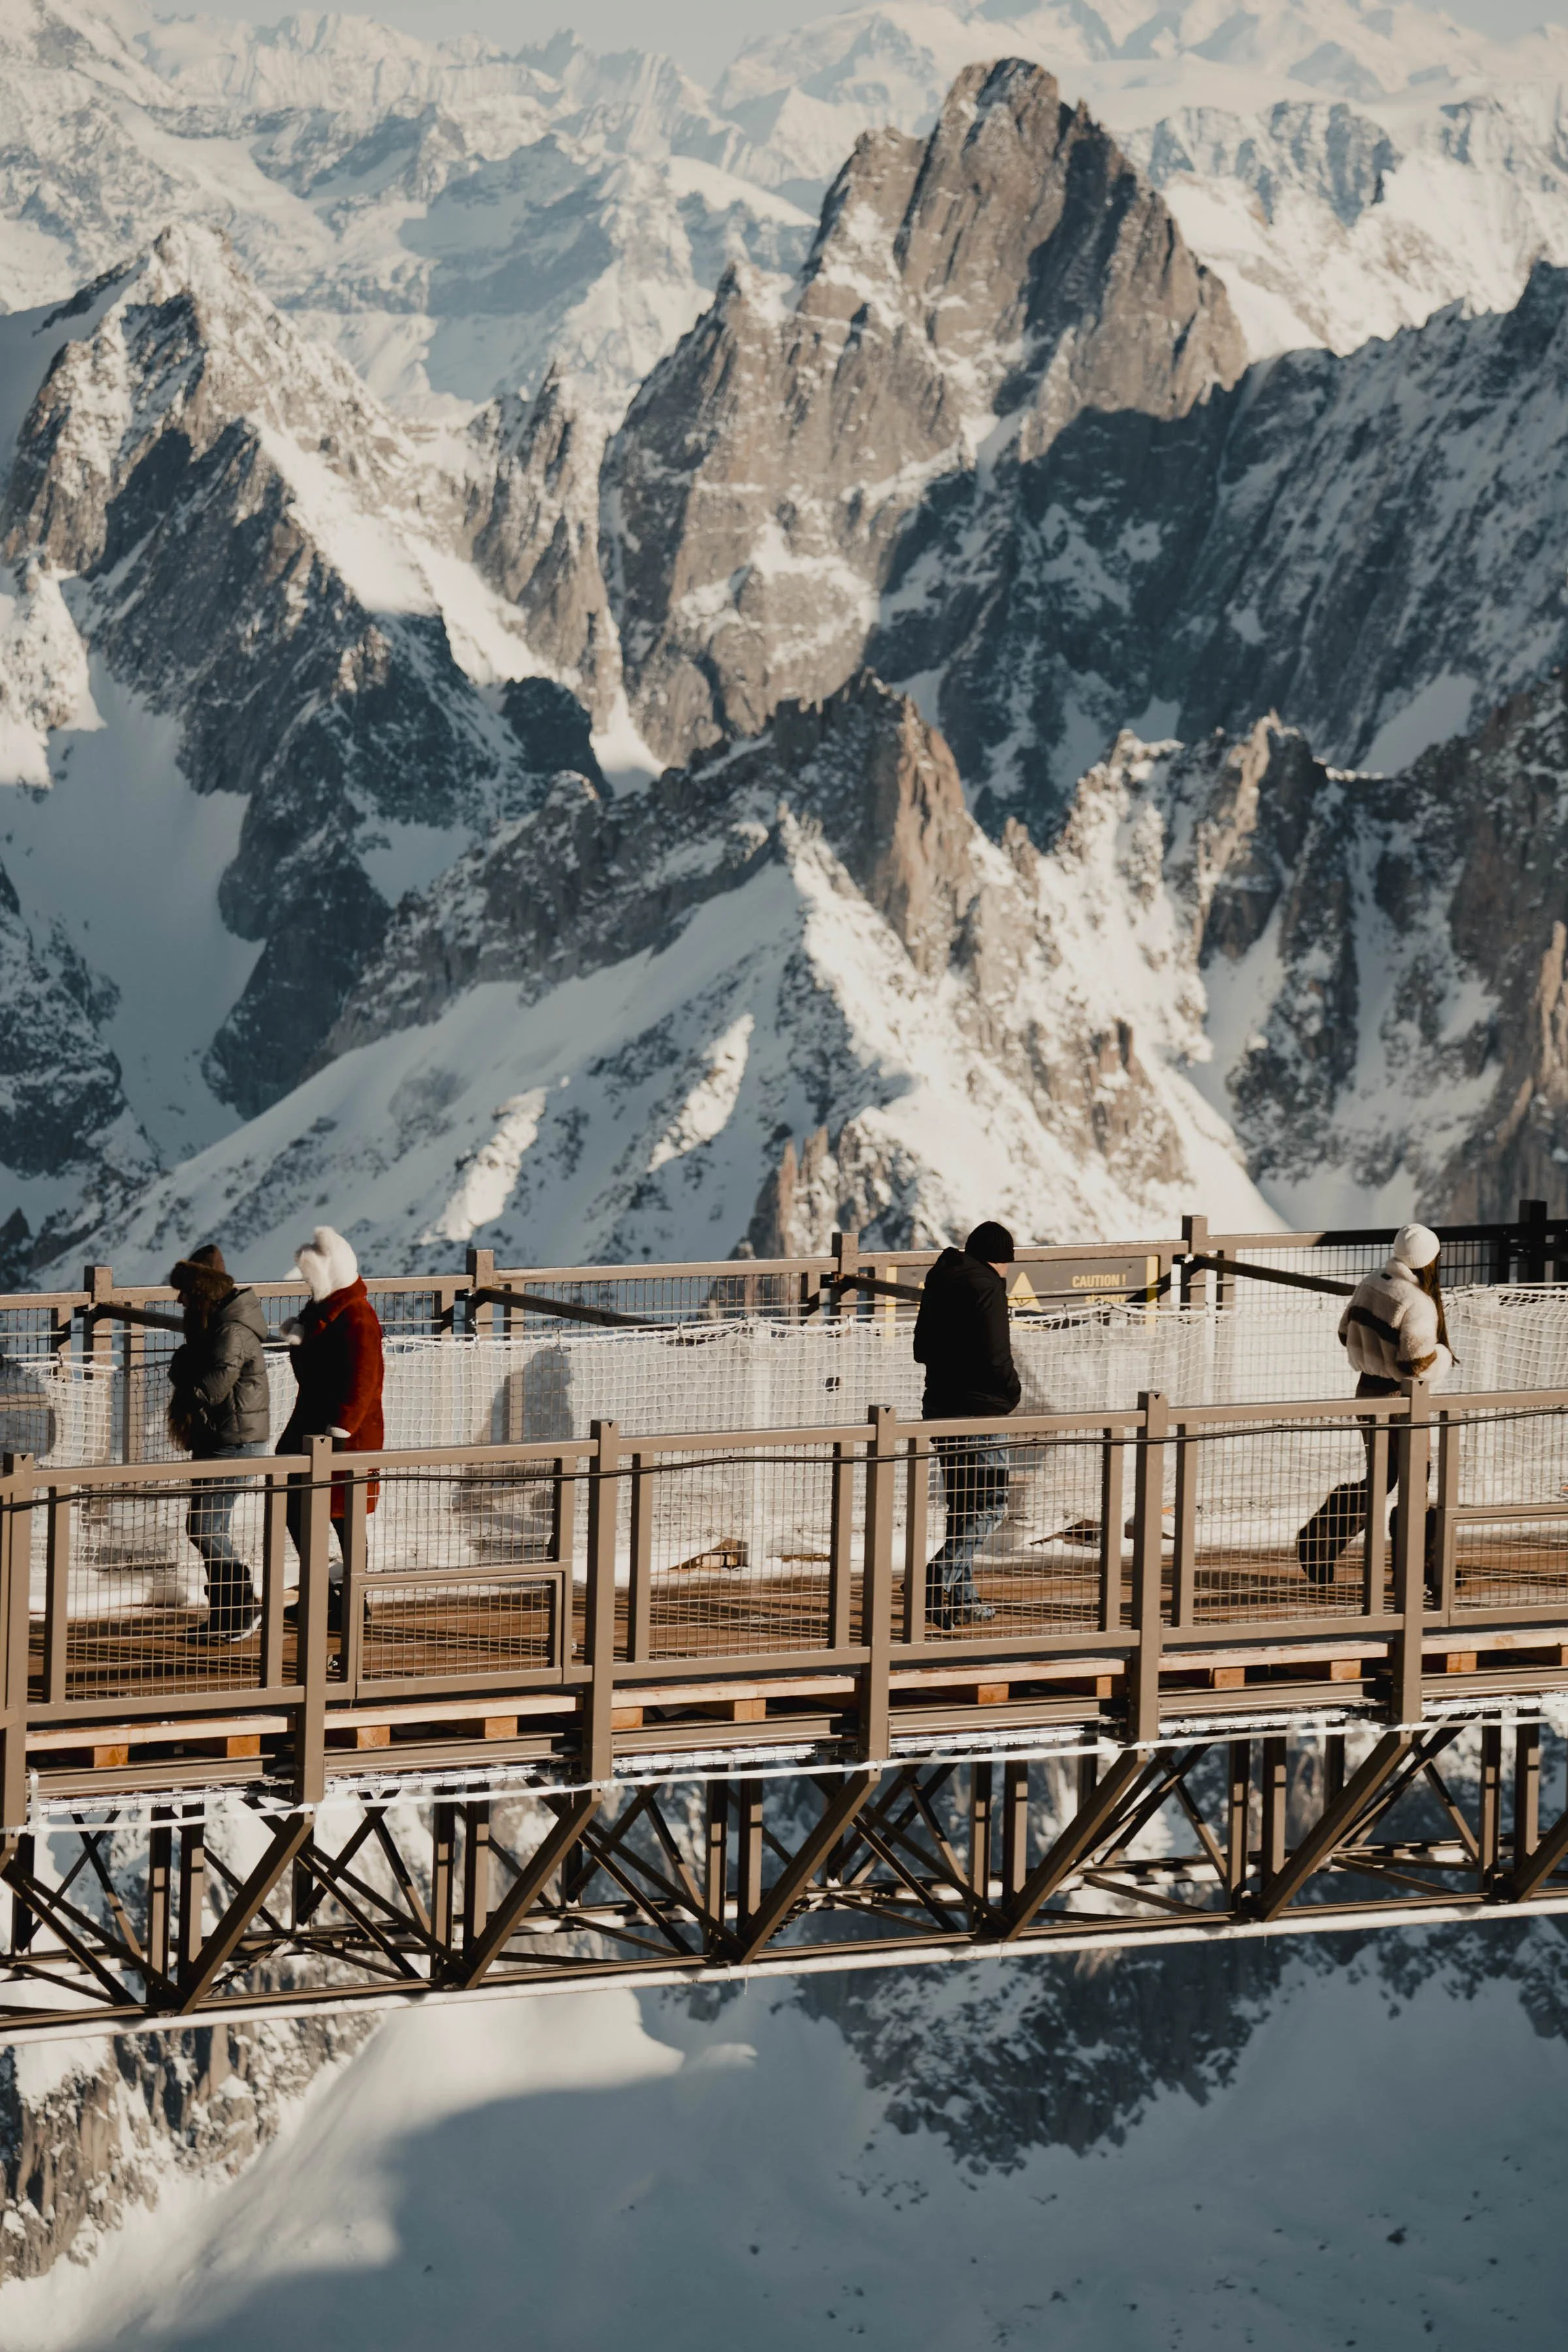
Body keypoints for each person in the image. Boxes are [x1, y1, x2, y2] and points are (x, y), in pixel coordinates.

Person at [1296, 1222, 1454, 1597]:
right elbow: (1416, 1363)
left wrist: (1374, 1351)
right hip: (1402, 1401)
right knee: (1417, 1483)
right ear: (1430, 1261)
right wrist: (1444, 1357)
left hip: (1367, 1392)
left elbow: (1343, 1333)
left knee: (1383, 1478)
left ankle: (1319, 1538)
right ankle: (1419, 1576)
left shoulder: (1372, 1281)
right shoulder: (1417, 1302)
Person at [913, 1220, 1021, 1631]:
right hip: (981, 1411)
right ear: (1002, 1260)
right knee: (991, 1501)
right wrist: (1011, 1392)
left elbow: (922, 1349)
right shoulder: (990, 1288)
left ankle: (963, 1599)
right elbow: (998, 1356)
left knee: (963, 1503)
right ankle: (939, 1575)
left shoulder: (941, 1279)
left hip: (939, 1406)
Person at [278, 1227, 385, 1633]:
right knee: (301, 1511)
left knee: (344, 1518)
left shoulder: (357, 1318)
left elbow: (364, 1379)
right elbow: (312, 1377)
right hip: (318, 1433)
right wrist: (300, 1343)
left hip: (343, 1440)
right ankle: (329, 1599)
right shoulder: (327, 1313)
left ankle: (351, 1602)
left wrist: (340, 1428)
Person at [166, 1244, 270, 1643]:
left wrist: (184, 1368)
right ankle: (227, 1614)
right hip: (222, 1436)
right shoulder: (221, 1327)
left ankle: (241, 1609)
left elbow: (209, 1389)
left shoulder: (230, 1332)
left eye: (187, 1293)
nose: (180, 1301)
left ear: (204, 1294)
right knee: (209, 1527)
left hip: (235, 1441)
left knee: (205, 1528)